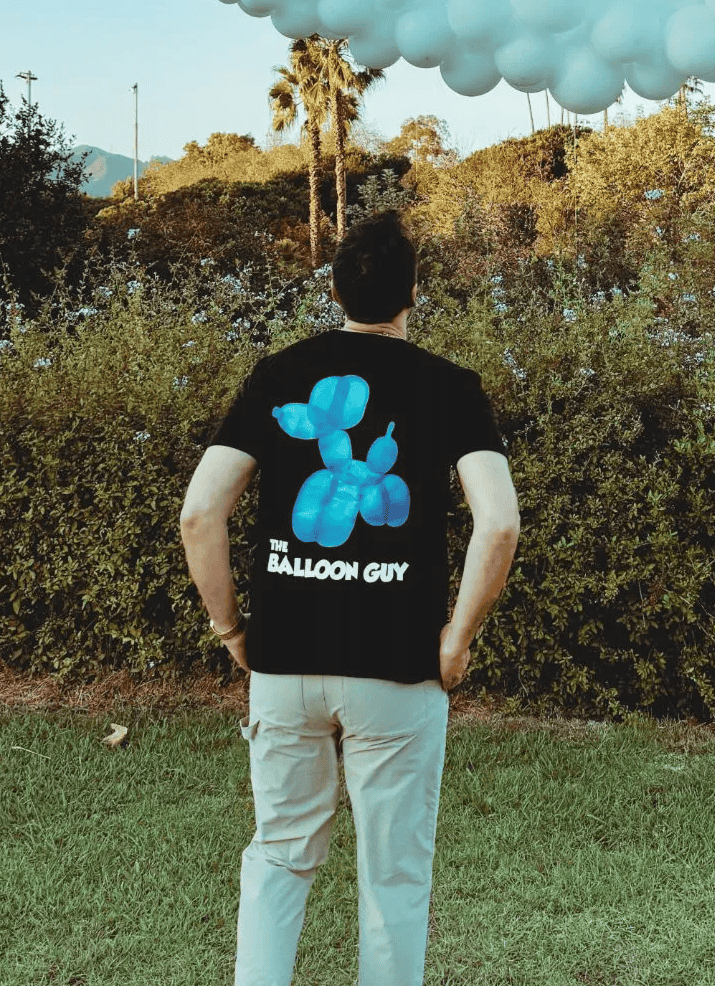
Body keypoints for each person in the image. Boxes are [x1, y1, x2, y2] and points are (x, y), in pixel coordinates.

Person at [178, 209, 521, 986]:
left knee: (279, 853)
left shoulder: (277, 375)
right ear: (413, 296)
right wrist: (457, 638)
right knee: (393, 875)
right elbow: (498, 523)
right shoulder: (451, 386)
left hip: (286, 665)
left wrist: (229, 626)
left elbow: (200, 512)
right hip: (397, 672)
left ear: (335, 288)